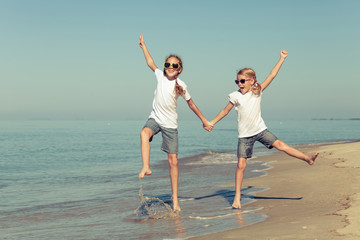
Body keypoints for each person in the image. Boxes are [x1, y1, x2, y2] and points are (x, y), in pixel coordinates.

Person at [209, 50, 319, 209]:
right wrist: (212, 122)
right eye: (237, 81)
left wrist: (281, 59)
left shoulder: (257, 91)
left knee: (281, 145)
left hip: (260, 130)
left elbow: (272, 75)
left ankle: (307, 159)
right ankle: (237, 198)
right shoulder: (235, 96)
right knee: (241, 165)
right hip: (245, 136)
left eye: (242, 81)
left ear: (251, 80)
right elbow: (224, 111)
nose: (239, 84)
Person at [137, 34, 212, 212]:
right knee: (143, 133)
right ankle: (146, 166)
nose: (170, 67)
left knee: (173, 162)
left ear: (179, 69)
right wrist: (143, 46)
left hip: (170, 124)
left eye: (174, 65)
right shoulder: (159, 76)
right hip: (155, 118)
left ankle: (175, 198)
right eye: (168, 64)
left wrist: (204, 121)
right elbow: (150, 62)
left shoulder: (181, 85)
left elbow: (191, 104)